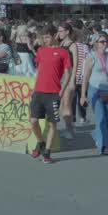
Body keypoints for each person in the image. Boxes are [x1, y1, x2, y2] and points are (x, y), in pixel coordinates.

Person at [28, 24, 72, 165]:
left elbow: (68, 73)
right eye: (43, 37)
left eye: (47, 37)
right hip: (39, 91)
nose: (45, 40)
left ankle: (47, 152)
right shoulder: (41, 51)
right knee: (33, 121)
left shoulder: (63, 52)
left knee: (52, 124)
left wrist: (62, 91)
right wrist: (34, 88)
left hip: (53, 93)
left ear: (54, 36)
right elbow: (39, 70)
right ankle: (40, 142)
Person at [80, 33, 108, 155]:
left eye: (105, 41)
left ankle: (96, 133)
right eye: (101, 41)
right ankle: (104, 146)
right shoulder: (91, 57)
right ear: (96, 44)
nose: (104, 44)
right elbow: (85, 77)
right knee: (101, 119)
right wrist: (83, 95)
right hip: (95, 90)